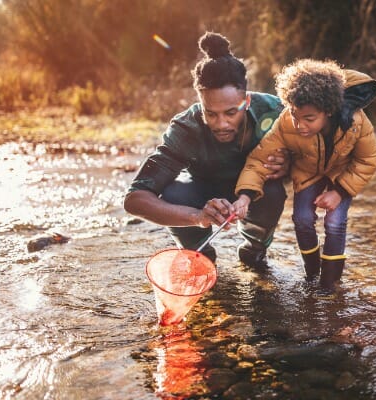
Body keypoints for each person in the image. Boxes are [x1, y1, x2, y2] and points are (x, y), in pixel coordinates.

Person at [123, 32, 289, 267]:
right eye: (210, 113)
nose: (221, 124)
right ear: (200, 102)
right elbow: (134, 199)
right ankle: (200, 257)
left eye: (231, 112)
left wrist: (289, 164)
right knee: (173, 194)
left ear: (247, 101)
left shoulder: (275, 112)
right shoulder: (185, 127)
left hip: (256, 192)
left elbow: (318, 152)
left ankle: (254, 249)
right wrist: (197, 217)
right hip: (201, 192)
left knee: (273, 191)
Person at [232, 59, 376, 290]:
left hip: (341, 174)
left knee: (335, 221)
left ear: (329, 111)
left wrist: (339, 191)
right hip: (307, 172)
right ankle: (312, 275)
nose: (299, 124)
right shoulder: (286, 123)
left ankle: (329, 284)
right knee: (301, 219)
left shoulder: (355, 122)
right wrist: (245, 195)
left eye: (309, 119)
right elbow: (260, 159)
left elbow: (369, 158)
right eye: (294, 114)